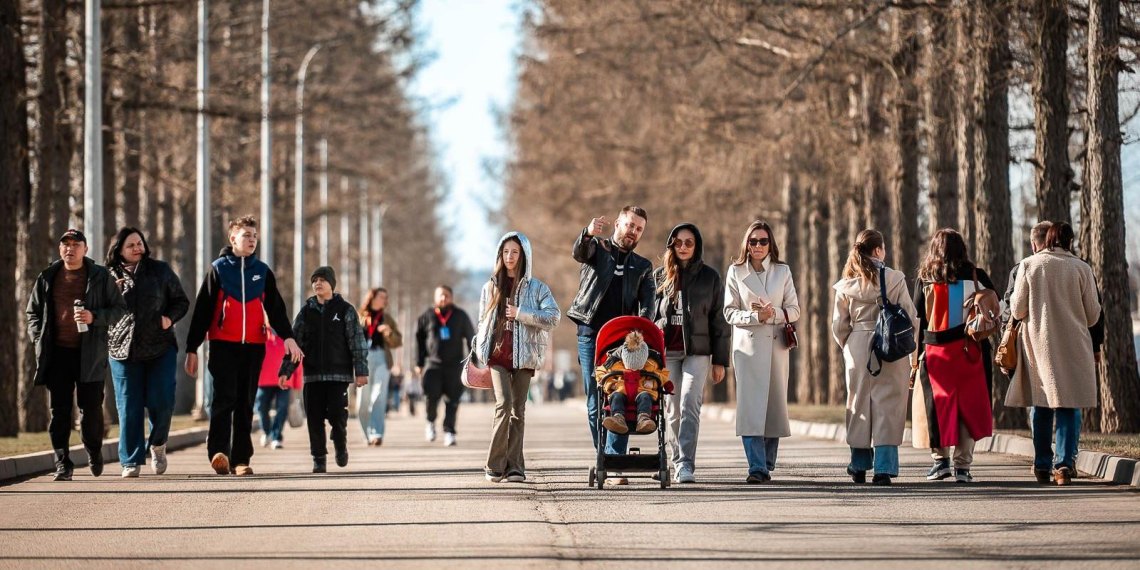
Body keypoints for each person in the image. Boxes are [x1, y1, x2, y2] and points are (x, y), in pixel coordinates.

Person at [185, 215, 302, 476]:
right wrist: (192, 348)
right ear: (233, 239)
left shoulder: (262, 271)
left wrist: (288, 337)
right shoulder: (218, 269)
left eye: (254, 236)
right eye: (246, 235)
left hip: (253, 346)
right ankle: (218, 452)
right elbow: (202, 311)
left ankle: (240, 459)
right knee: (223, 399)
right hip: (222, 344)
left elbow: (276, 308)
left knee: (245, 402)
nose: (251, 240)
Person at [26, 229, 128, 482]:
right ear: (60, 249)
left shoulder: (99, 276)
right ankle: (62, 463)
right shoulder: (48, 276)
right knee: (59, 411)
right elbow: (33, 313)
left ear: (85, 248)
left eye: (75, 244)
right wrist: (38, 338)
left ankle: (93, 449)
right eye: (65, 245)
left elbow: (119, 309)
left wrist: (95, 317)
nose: (69, 249)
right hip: (57, 354)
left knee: (90, 410)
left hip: (89, 354)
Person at [1005, 222, 1101, 485]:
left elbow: (1018, 310)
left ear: (1045, 241)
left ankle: (1041, 464)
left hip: (1039, 345)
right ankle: (1064, 465)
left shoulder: (1029, 266)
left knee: (1042, 404)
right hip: (1074, 345)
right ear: (1070, 242)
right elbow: (1093, 316)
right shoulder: (1082, 268)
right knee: (1069, 404)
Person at [568, 206, 655, 484]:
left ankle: (615, 464)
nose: (633, 231)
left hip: (623, 341)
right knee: (595, 402)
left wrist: (641, 334)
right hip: (590, 333)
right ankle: (606, 457)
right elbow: (579, 253)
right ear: (618, 224)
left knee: (621, 395)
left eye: (638, 228)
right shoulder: (597, 249)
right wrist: (587, 234)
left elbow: (648, 307)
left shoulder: (642, 267)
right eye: (629, 225)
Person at [831, 230, 918, 485]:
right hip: (890, 346)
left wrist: (848, 345)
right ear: (879, 251)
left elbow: (839, 325)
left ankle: (858, 465)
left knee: (858, 404)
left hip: (857, 346)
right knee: (888, 405)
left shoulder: (846, 284)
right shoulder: (894, 279)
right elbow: (910, 316)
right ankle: (884, 468)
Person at [104, 227, 190, 478]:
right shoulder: (107, 275)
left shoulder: (159, 270)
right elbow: (95, 309)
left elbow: (181, 301)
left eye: (139, 243)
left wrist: (168, 318)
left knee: (162, 402)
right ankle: (130, 460)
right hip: (122, 350)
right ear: (119, 249)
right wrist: (113, 295)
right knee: (129, 407)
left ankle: (158, 444)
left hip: (160, 347)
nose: (137, 248)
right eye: (131, 245)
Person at [911, 229, 995, 484]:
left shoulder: (925, 279)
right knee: (966, 408)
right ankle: (963, 466)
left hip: (936, 352)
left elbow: (918, 321)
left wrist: (914, 361)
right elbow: (994, 308)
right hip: (970, 350)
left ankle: (940, 462)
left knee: (937, 406)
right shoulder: (976, 276)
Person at [476, 232, 561, 483]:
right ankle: (494, 464)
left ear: (523, 255)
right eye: (505, 252)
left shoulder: (538, 288)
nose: (510, 257)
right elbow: (482, 320)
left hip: (525, 357)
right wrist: (481, 347)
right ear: (499, 256)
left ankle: (515, 467)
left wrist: (521, 313)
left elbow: (553, 318)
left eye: (514, 252)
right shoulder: (490, 286)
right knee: (503, 405)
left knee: (518, 410)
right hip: (498, 356)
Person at [652, 223, 729, 484]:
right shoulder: (659, 277)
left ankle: (685, 464)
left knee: (689, 404)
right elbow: (649, 317)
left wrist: (720, 361)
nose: (683, 247)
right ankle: (675, 460)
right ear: (671, 245)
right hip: (668, 352)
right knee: (672, 410)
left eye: (689, 242)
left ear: (697, 246)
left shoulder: (711, 278)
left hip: (698, 352)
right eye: (679, 242)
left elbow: (719, 321)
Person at [723, 220, 799, 484]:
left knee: (774, 406)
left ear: (771, 244)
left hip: (776, 346)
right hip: (748, 348)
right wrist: (755, 316)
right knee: (751, 408)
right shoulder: (735, 272)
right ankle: (756, 467)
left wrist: (773, 314)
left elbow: (795, 309)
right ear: (746, 243)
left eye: (763, 241)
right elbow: (729, 312)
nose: (757, 246)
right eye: (753, 241)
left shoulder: (782, 271)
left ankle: (766, 461)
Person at [279, 267, 369, 473]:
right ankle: (318, 458)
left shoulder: (345, 310)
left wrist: (361, 371)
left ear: (331, 284)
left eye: (322, 280)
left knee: (338, 415)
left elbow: (357, 342)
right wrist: (286, 371)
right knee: (314, 418)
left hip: (339, 376)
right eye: (315, 280)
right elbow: (295, 344)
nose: (318, 283)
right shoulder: (305, 312)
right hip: (312, 376)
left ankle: (340, 443)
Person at [415, 285, 475, 446]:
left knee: (453, 400)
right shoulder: (427, 316)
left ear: (451, 297)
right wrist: (419, 363)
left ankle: (449, 431)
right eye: (440, 296)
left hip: (454, 365)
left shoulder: (460, 316)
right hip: (432, 365)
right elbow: (419, 341)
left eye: (446, 295)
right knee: (430, 397)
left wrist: (473, 363)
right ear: (435, 298)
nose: (443, 298)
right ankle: (430, 422)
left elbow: (471, 339)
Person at [597, 331, 669, 435]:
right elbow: (599, 372)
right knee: (616, 396)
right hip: (620, 391)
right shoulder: (614, 363)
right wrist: (610, 383)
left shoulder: (651, 363)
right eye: (630, 367)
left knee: (645, 397)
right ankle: (618, 418)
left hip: (642, 391)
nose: (634, 369)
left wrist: (653, 382)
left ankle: (643, 419)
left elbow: (664, 374)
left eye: (638, 367)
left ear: (644, 360)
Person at [358, 287, 403, 446]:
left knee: (379, 395)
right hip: (362, 360)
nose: (385, 300)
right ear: (372, 298)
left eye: (386, 297)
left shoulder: (387, 318)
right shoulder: (359, 317)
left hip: (382, 359)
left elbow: (398, 341)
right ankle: (367, 433)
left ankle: (376, 433)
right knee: (362, 401)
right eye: (382, 297)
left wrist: (389, 332)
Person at [256, 325, 301, 450]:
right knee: (262, 407)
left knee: (282, 408)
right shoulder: (260, 333)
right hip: (263, 380)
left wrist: (297, 382)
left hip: (286, 380)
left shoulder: (289, 334)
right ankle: (267, 432)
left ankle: (276, 437)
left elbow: (297, 358)